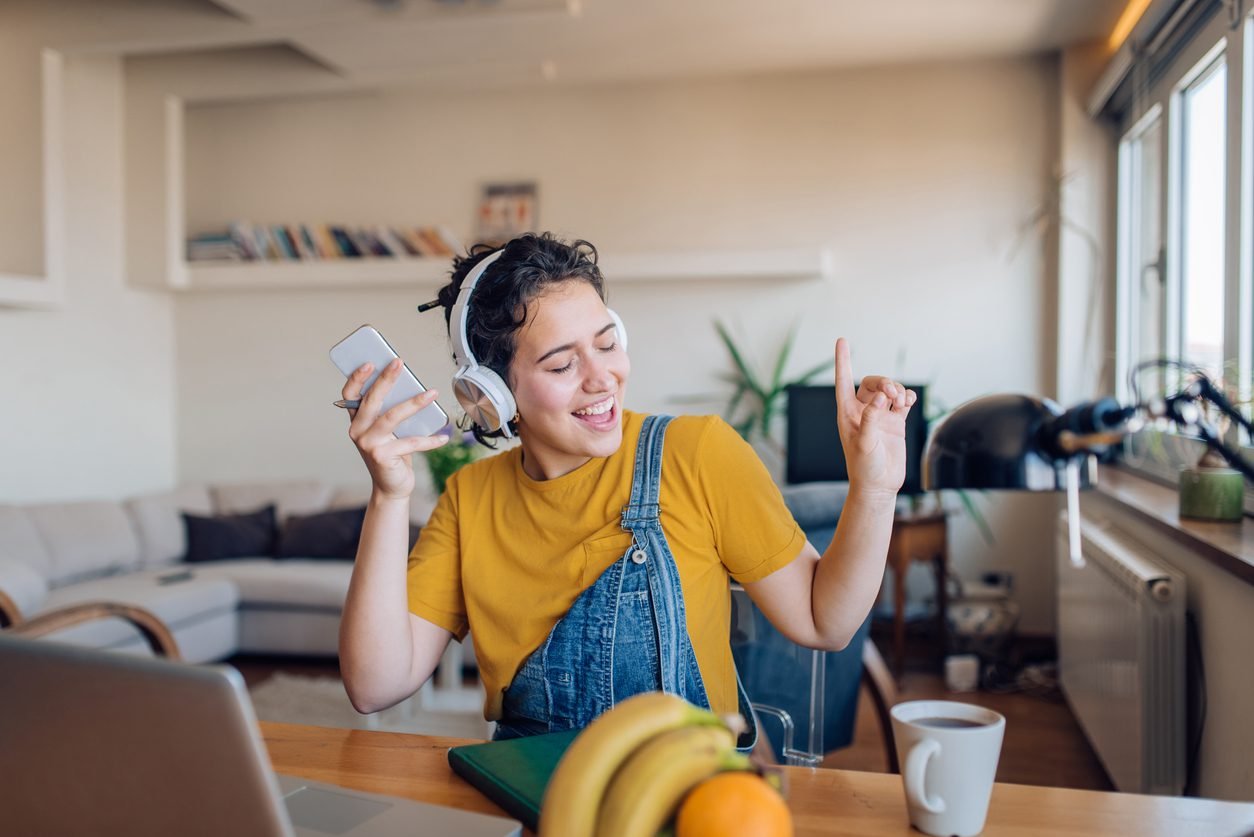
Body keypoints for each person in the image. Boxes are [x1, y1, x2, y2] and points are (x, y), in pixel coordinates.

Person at [337, 232, 916, 745]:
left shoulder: (698, 453)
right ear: (491, 394)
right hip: (534, 798)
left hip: (688, 799)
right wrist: (389, 496)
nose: (601, 377)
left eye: (608, 342)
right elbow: (374, 686)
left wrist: (876, 486)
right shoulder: (469, 500)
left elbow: (824, 622)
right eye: (562, 365)